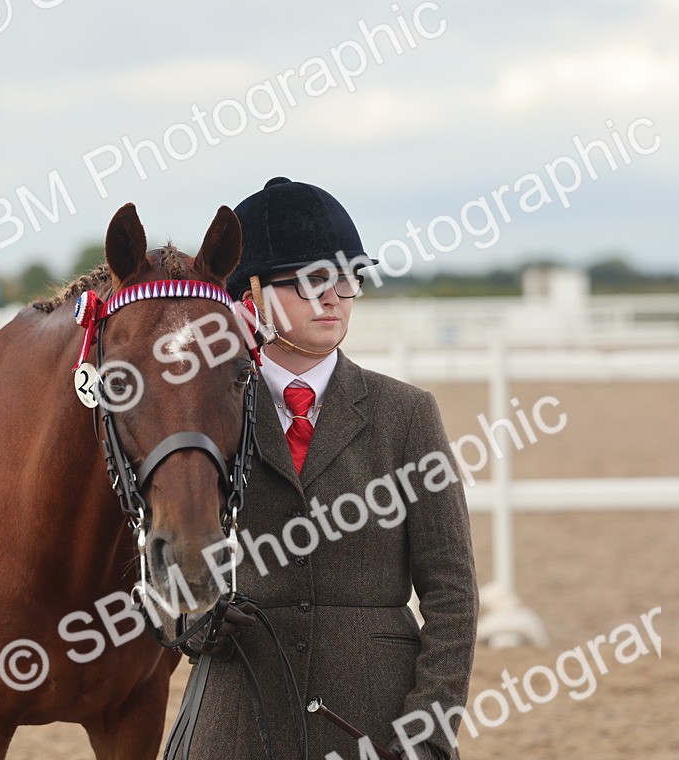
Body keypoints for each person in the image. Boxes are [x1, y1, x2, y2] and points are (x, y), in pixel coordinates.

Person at [177, 177, 478, 760]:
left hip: (374, 715)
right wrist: (193, 619)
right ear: (251, 296)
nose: (334, 297)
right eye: (311, 281)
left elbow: (452, 593)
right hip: (236, 719)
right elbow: (161, 566)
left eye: (346, 278)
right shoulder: (203, 414)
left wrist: (428, 730)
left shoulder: (407, 415)